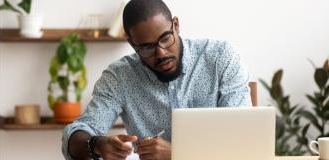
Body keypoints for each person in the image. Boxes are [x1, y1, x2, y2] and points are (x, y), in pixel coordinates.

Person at [62, 0, 251, 159]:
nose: (161, 53)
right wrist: (97, 144)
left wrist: (176, 154)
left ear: (176, 25)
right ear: (132, 43)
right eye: (146, 47)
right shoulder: (119, 76)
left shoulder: (221, 58)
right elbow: (76, 133)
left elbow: (243, 139)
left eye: (165, 38)